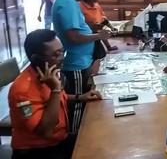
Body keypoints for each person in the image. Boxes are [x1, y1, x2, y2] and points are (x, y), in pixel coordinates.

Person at [8, 29, 101, 159]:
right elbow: (45, 132)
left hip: (59, 140)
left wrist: (80, 97)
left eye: (62, 52)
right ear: (36, 58)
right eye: (56, 55)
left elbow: (55, 101)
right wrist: (55, 89)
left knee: (98, 140)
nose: (62, 58)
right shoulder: (23, 90)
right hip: (38, 151)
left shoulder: (49, 74)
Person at [52, 0, 111, 133]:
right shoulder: (67, 2)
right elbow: (75, 37)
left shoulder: (69, 1)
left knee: (85, 98)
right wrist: (98, 35)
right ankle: (75, 141)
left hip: (82, 61)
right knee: (79, 103)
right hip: (75, 64)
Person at [79, 0, 118, 74]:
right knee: (96, 58)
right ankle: (93, 78)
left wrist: (111, 28)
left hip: (96, 37)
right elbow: (79, 25)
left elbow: (102, 21)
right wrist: (90, 25)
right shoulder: (79, 6)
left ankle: (96, 76)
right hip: (85, 39)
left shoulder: (96, 6)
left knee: (101, 55)